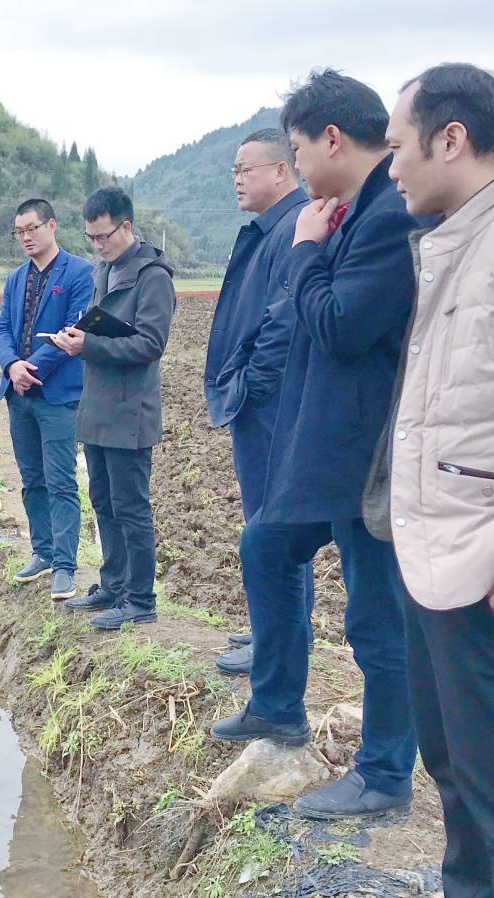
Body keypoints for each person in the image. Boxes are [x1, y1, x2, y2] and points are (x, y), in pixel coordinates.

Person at [209, 69, 419, 820]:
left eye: (296, 150)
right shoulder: (351, 212)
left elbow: (340, 325)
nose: (297, 167)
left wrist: (304, 250)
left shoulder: (388, 215)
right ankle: (277, 707)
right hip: (325, 449)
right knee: (266, 546)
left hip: (366, 458)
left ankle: (386, 774)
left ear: (332, 139)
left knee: (376, 618)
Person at [370, 62, 494, 896]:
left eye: (397, 147)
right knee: (457, 779)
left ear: (452, 139)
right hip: (438, 562)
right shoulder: (461, 239)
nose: (391, 168)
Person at [203, 128, 313, 676]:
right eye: (234, 171)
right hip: (263, 405)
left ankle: (278, 642)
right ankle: (272, 628)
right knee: (268, 527)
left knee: (273, 531)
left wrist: (252, 386)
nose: (237, 180)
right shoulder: (272, 227)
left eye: (246, 169)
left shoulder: (294, 226)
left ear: (281, 170)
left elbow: (283, 322)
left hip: (271, 408)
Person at [51, 186, 175, 629]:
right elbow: (99, 327)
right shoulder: (105, 270)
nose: (97, 245)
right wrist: (77, 338)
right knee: (102, 500)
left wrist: (89, 344)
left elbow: (150, 344)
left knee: (130, 507)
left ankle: (140, 599)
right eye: (91, 238)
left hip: (129, 412)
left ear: (126, 227)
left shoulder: (152, 277)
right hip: (98, 406)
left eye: (103, 236)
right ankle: (113, 584)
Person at [0, 198, 95, 600]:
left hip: (56, 395)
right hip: (19, 394)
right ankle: (43, 552)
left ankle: (65, 566)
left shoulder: (80, 273)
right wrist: (11, 367)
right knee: (32, 479)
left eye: (32, 228)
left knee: (60, 481)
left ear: (51, 226)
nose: (26, 237)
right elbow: (3, 328)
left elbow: (73, 330)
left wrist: (30, 368)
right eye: (19, 231)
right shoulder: (15, 279)